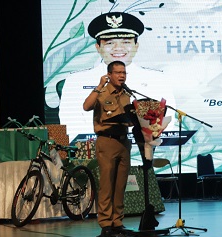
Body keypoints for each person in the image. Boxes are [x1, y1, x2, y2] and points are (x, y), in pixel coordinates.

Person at [59, 11, 175, 143]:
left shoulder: (158, 79)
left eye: (126, 42)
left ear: (136, 46)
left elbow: (168, 123)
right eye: (109, 43)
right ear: (98, 47)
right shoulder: (76, 80)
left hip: (146, 145)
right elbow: (70, 125)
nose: (118, 48)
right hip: (98, 147)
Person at [83, 60, 132, 237]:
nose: (121, 76)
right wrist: (99, 86)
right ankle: (105, 225)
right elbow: (86, 106)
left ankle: (117, 223)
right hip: (107, 142)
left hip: (124, 142)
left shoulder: (127, 94)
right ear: (109, 75)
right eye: (118, 72)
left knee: (120, 186)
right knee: (107, 186)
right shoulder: (101, 93)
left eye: (124, 73)